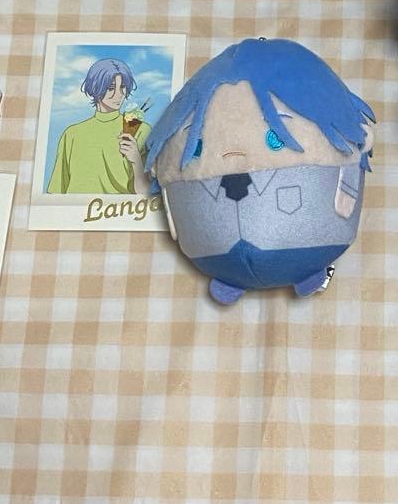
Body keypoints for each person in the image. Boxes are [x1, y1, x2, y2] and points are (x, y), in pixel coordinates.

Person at [146, 38, 375, 305]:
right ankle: (238, 279)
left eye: (276, 138)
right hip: (212, 256)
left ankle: (253, 278)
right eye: (195, 147)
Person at [46, 58, 152, 196]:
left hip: (118, 209)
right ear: (96, 88)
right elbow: (56, 192)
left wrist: (136, 160)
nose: (119, 94)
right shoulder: (72, 134)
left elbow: (146, 194)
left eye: (122, 87)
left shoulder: (141, 130)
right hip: (75, 208)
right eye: (111, 88)